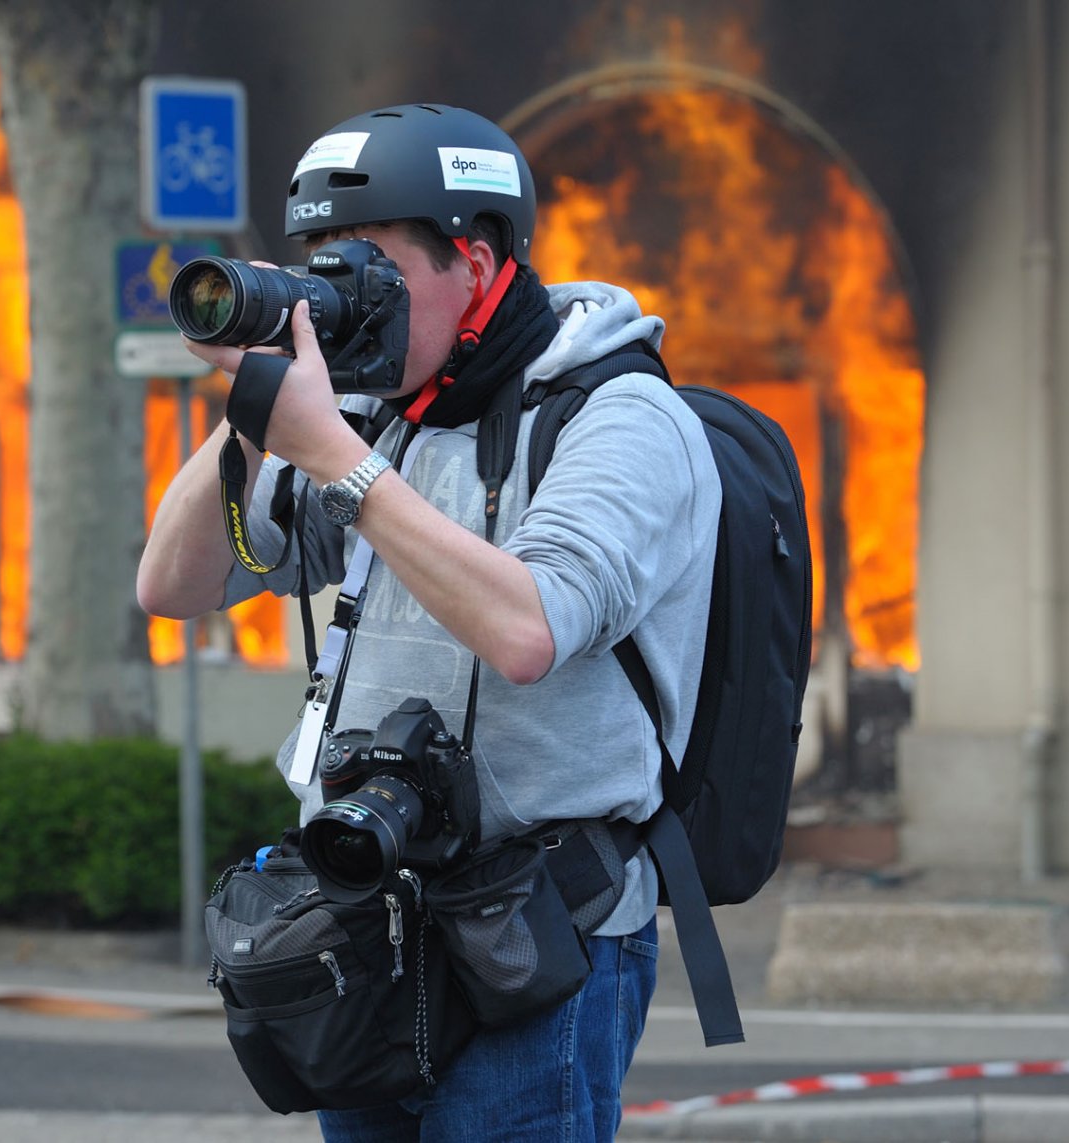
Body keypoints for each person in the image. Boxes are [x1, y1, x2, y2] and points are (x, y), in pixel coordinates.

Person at [137, 102, 719, 1142]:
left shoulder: (620, 418)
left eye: (368, 266)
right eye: (320, 265)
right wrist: (255, 402)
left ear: (479, 258)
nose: (340, 296)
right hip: (369, 924)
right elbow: (173, 586)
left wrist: (336, 459)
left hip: (544, 934)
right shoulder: (369, 418)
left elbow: (530, 630)